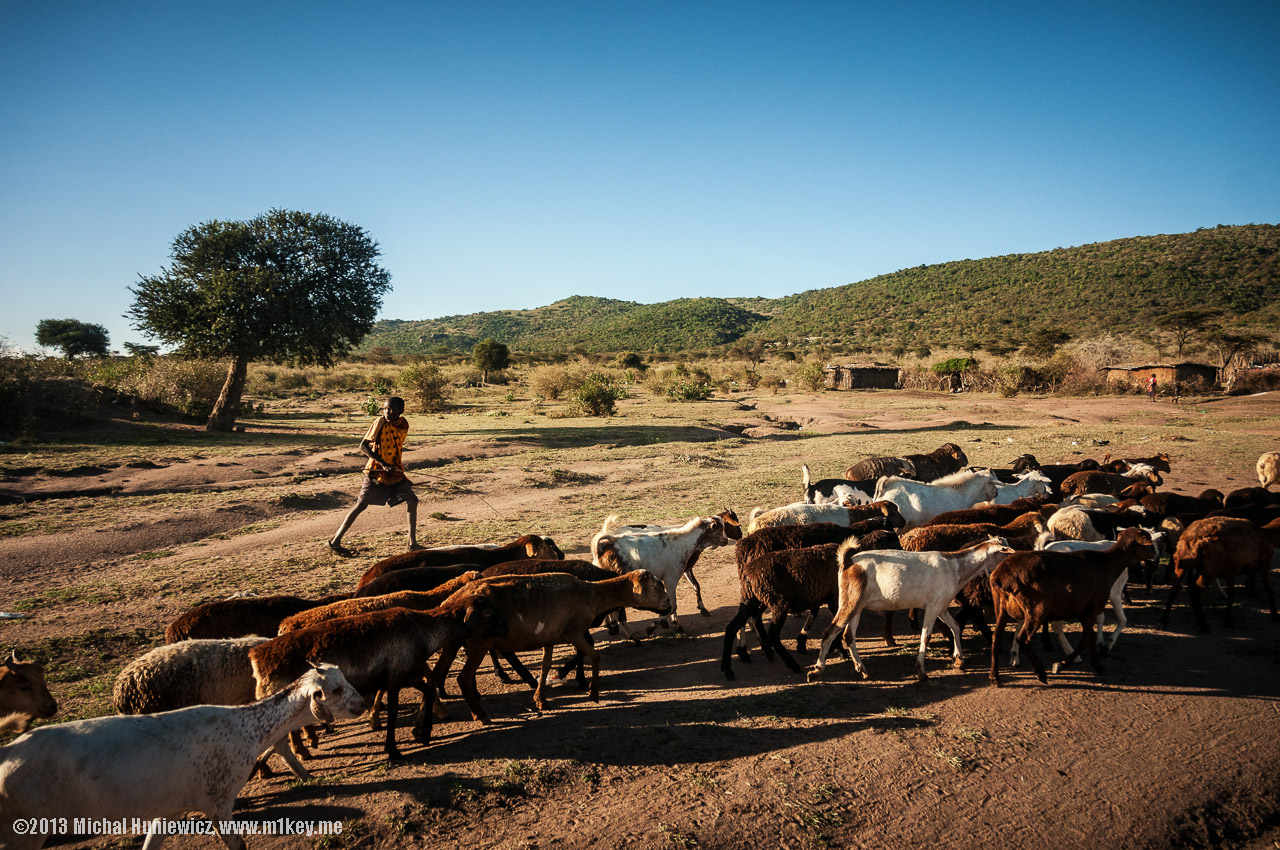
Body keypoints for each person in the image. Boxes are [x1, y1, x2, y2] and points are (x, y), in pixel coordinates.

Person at [328, 396, 418, 554]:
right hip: (376, 472)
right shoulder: (380, 422)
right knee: (361, 504)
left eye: (390, 409)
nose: (386, 412)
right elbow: (363, 446)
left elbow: (394, 449)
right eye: (384, 409)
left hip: (394, 471)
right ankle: (335, 540)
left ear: (401, 411)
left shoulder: (403, 425)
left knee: (412, 499)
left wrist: (395, 469)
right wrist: (383, 463)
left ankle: (412, 543)